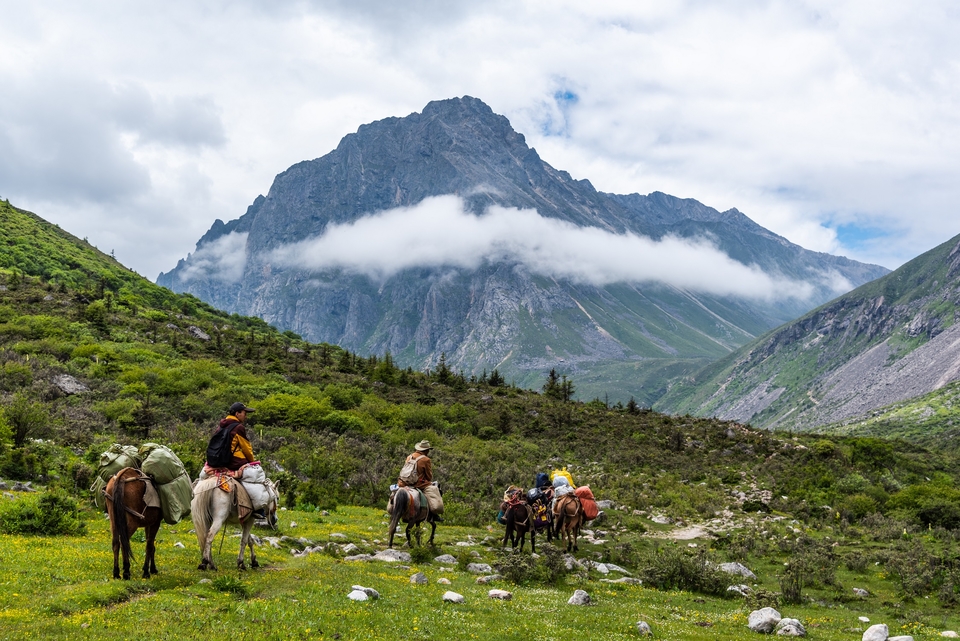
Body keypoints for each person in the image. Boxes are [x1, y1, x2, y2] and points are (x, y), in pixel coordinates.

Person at [398, 439, 444, 521]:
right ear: (426, 450)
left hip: (404, 482)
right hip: (417, 483)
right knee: (434, 489)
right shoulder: (426, 460)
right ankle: (433, 514)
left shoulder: (409, 456)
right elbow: (429, 477)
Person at [217, 402, 258, 471]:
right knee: (255, 471)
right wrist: (252, 461)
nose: (246, 416)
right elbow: (246, 449)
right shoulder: (238, 427)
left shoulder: (221, 425)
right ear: (237, 414)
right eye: (244, 413)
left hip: (217, 459)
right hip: (233, 461)